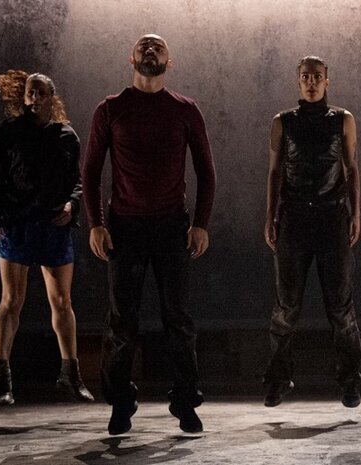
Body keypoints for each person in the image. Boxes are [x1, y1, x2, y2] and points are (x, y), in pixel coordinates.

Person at [82, 34, 217, 434]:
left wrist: (201, 223)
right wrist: (96, 224)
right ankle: (120, 405)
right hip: (124, 228)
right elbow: (90, 172)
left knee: (179, 319)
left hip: (172, 227)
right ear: (132, 58)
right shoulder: (110, 109)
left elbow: (206, 171)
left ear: (168, 62)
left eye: (158, 47)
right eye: (144, 45)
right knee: (121, 321)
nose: (150, 49)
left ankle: (186, 403)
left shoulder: (185, 109)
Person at [0, 70, 94, 406]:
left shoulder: (66, 135)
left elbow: (78, 180)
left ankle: (70, 376)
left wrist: (72, 205)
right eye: (30, 92)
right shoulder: (9, 131)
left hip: (53, 226)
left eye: (41, 92)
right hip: (17, 224)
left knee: (62, 301)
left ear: (51, 97)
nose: (34, 98)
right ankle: (2, 381)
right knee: (11, 300)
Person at [262, 56, 361, 408]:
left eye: (317, 76)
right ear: (298, 81)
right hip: (294, 220)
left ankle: (350, 382)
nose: (311, 82)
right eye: (305, 76)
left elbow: (352, 168)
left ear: (327, 81)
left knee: (341, 306)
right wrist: (270, 216)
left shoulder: (343, 119)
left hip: (332, 218)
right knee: (286, 307)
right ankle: (277, 380)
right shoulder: (282, 122)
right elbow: (275, 172)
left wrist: (356, 214)